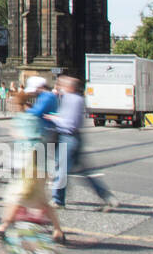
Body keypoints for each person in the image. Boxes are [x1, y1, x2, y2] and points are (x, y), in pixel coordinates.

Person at [0, 91, 65, 242]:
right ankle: (58, 231)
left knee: (15, 196)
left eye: (12, 103)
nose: (10, 106)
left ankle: (3, 227)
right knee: (39, 200)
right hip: (32, 165)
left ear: (19, 105)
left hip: (32, 166)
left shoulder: (28, 119)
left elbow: (34, 142)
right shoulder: (23, 118)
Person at [47, 75, 115, 211]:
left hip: (68, 137)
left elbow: (69, 123)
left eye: (63, 85)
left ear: (70, 87)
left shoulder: (72, 100)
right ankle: (107, 197)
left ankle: (57, 200)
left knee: (61, 170)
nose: (60, 87)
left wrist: (54, 118)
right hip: (72, 138)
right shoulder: (73, 98)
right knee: (84, 173)